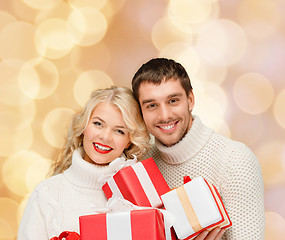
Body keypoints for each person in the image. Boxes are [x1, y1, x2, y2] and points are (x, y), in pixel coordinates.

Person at [131, 58, 265, 240]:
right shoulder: (140, 164)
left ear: (190, 100)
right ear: (140, 111)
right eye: (152, 105)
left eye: (173, 100)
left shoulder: (235, 161)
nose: (165, 115)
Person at [17, 86, 150, 239]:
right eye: (98, 124)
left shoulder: (137, 197)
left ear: (129, 141)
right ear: (84, 126)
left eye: (119, 131)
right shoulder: (46, 194)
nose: (105, 137)